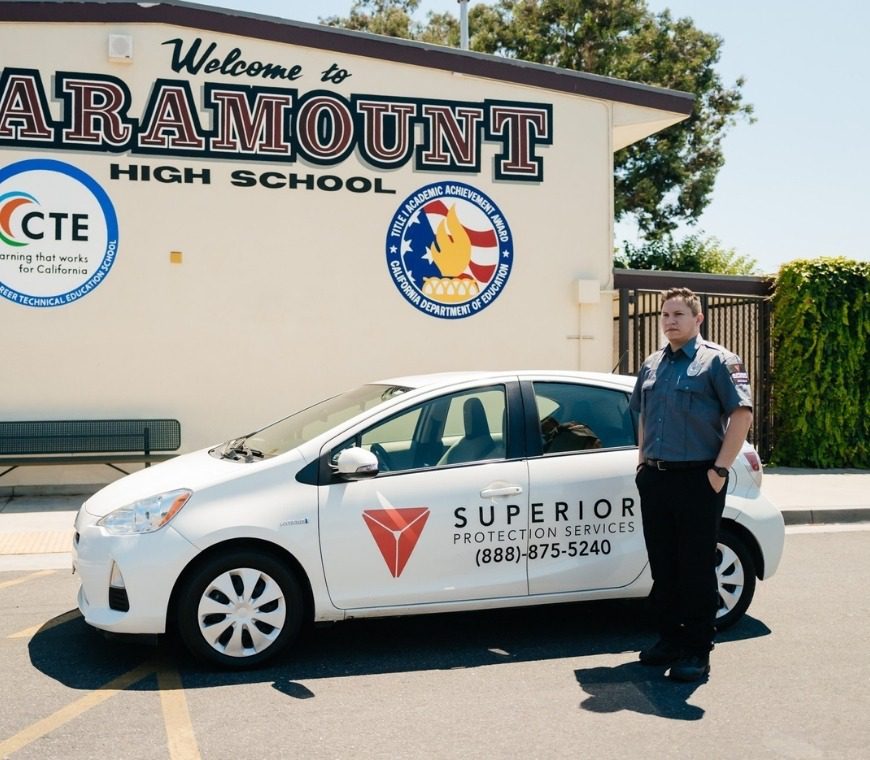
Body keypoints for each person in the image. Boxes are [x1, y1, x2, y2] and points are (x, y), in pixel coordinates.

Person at [629, 287, 753, 682]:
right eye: (665, 314)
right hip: (657, 479)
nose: (670, 321)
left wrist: (719, 470)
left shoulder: (717, 361)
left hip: (698, 479)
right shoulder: (651, 365)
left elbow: (742, 414)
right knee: (664, 566)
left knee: (696, 568)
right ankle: (669, 640)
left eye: (679, 314)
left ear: (698, 319)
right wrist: (642, 465)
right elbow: (643, 417)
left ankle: (697, 651)